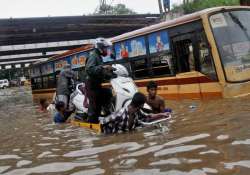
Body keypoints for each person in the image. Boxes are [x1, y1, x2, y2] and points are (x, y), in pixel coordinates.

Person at [100, 92, 170, 134]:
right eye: (143, 104)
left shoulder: (137, 111)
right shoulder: (119, 114)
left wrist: (162, 114)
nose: (143, 105)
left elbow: (148, 116)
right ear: (141, 105)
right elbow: (103, 122)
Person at [85, 37, 113, 123]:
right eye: (105, 48)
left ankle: (107, 114)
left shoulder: (98, 56)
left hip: (97, 84)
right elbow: (89, 69)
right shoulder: (93, 55)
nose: (106, 50)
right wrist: (103, 67)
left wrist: (109, 73)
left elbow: (99, 72)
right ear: (100, 47)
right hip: (91, 84)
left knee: (107, 93)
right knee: (94, 105)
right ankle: (92, 122)